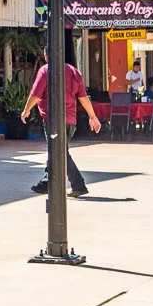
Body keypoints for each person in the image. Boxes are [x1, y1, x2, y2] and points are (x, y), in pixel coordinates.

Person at [21, 51, 102, 198]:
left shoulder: (45, 70)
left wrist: (26, 110)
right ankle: (48, 182)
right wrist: (92, 116)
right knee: (57, 150)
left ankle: (77, 184)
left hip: (53, 120)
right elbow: (83, 98)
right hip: (70, 120)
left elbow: (35, 94)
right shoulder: (73, 71)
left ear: (46, 55)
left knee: (59, 152)